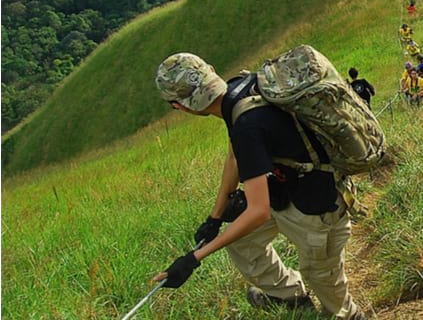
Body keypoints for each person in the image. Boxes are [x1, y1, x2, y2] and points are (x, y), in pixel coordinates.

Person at [153, 53, 364, 319]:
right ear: (212, 71)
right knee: (242, 242)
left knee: (321, 274)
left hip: (317, 207)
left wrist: (194, 259)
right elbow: (235, 158)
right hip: (287, 192)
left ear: (180, 106)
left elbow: (258, 211)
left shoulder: (246, 126)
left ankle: (347, 314)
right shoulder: (241, 90)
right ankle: (291, 296)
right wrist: (215, 218)